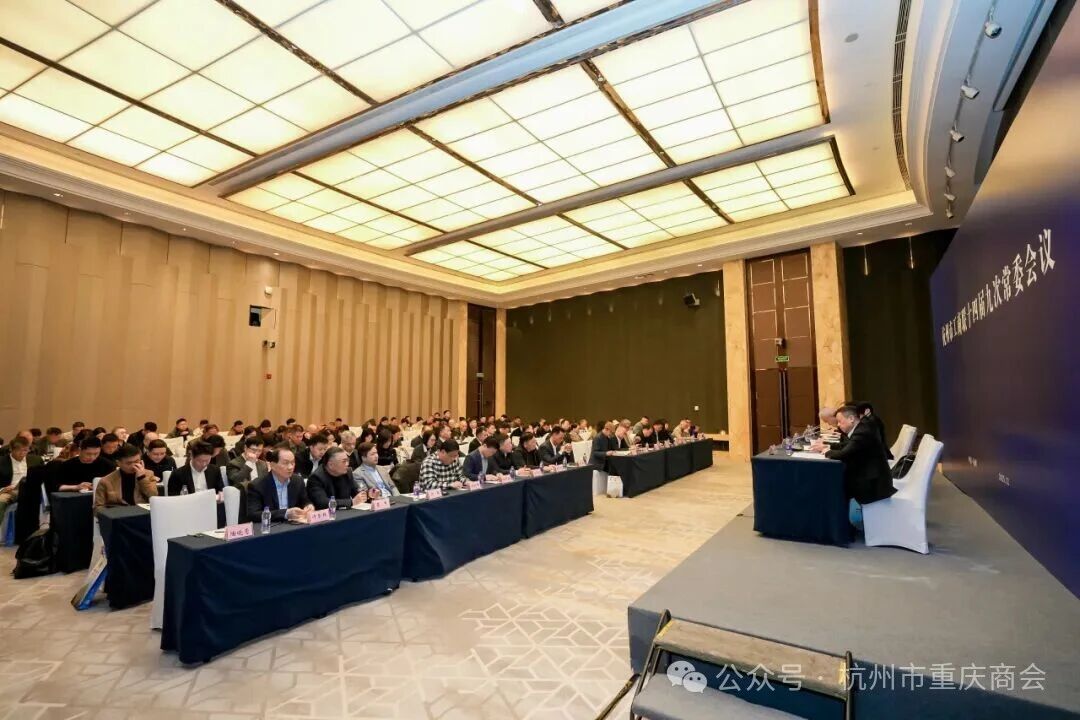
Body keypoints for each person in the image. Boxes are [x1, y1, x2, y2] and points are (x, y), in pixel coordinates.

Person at [812, 405, 896, 528]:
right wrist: (827, 446)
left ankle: (839, 526)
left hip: (874, 484)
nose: (838, 425)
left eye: (840, 422)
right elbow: (846, 445)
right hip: (871, 476)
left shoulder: (863, 432)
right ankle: (839, 524)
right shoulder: (860, 428)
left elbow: (845, 453)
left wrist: (825, 451)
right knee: (837, 482)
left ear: (851, 419)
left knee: (836, 486)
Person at [246, 447, 313, 522]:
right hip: (272, 526)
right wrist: (285, 514)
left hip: (294, 524)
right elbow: (253, 514)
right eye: (285, 463)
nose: (290, 467)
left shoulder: (298, 481)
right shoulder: (257, 485)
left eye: (292, 463)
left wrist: (308, 506)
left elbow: (304, 500)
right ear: (273, 465)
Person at [94, 443, 159, 515]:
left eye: (137, 461)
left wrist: (142, 478)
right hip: (118, 515)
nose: (134, 465)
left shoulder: (149, 474)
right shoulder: (106, 481)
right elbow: (98, 507)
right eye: (129, 463)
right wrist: (110, 515)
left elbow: (153, 496)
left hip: (141, 513)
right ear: (118, 463)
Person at [0, 436, 43, 519]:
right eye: (18, 450)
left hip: (31, 490)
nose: (22, 453)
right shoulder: (1, 462)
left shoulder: (36, 460)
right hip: (10, 491)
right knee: (0, 501)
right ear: (11, 449)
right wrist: (2, 490)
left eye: (25, 450)